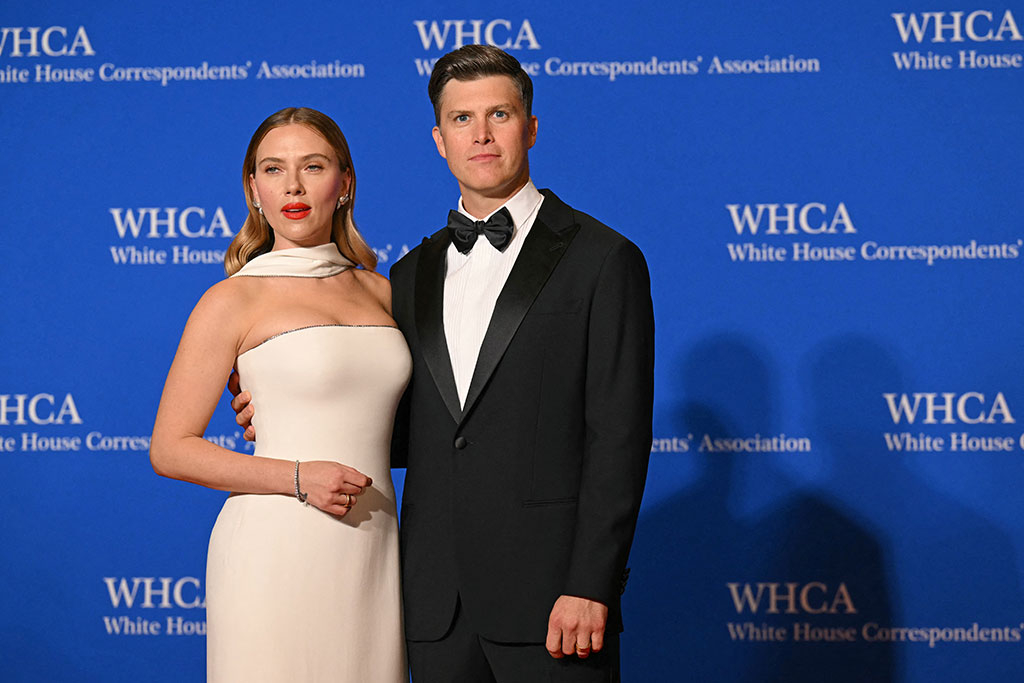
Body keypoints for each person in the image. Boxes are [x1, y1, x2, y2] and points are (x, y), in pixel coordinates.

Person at [236, 46, 655, 681]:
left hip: (553, 604)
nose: (480, 135)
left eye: (499, 114)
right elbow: (406, 427)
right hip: (428, 607)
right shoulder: (404, 277)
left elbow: (619, 439)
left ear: (531, 127)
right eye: (462, 119)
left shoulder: (604, 260)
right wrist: (291, 410)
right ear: (438, 138)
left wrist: (591, 584)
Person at [150, 107, 409, 682]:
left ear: (344, 184)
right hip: (277, 544)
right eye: (273, 169)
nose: (292, 185)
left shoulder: (383, 291)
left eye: (312, 167)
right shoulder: (231, 301)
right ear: (253, 189)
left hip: (373, 546)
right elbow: (170, 448)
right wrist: (297, 475)